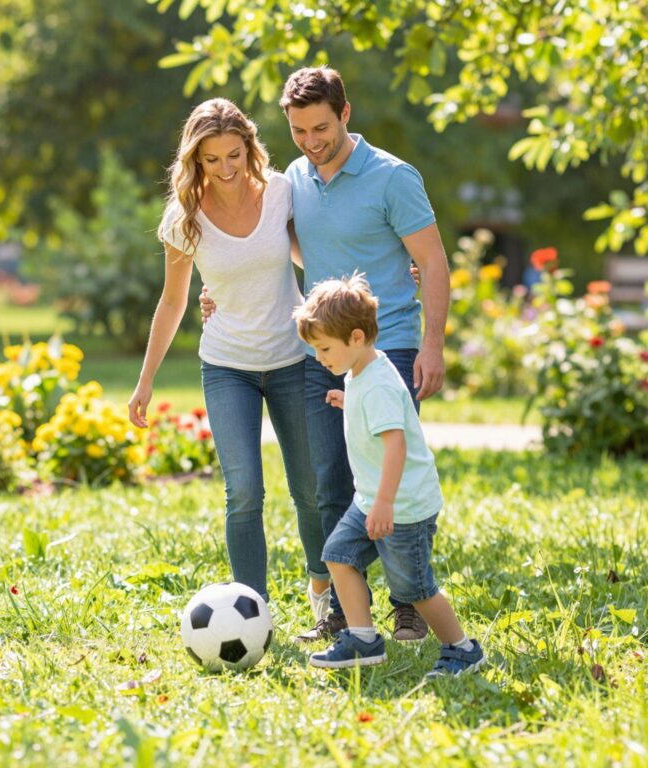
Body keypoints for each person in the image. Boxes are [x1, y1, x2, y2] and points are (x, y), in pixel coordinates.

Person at [202, 67, 452, 643]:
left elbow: (434, 263)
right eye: (298, 131)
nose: (312, 141)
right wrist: (219, 288)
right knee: (329, 481)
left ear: (345, 113)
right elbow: (279, 246)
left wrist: (432, 346)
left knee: (390, 473)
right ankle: (344, 613)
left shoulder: (393, 177)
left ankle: (407, 601)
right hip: (323, 355)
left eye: (320, 127)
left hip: (387, 345)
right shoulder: (294, 178)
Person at [128, 98, 328, 613]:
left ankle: (325, 593)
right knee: (243, 492)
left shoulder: (282, 191)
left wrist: (387, 272)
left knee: (309, 488)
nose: (225, 170)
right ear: (195, 160)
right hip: (227, 366)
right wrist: (146, 379)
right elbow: (173, 300)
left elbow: (311, 255)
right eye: (212, 160)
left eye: (234, 156)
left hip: (292, 358)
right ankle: (251, 609)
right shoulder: (185, 218)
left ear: (249, 147)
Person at [293, 274, 484, 675]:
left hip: (401, 505)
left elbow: (395, 445)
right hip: (372, 500)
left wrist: (384, 504)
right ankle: (362, 639)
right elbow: (380, 420)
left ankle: (462, 648)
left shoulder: (376, 383)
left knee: (414, 589)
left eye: (325, 348)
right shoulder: (362, 374)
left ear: (357, 337)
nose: (321, 357)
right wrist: (351, 403)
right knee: (338, 557)